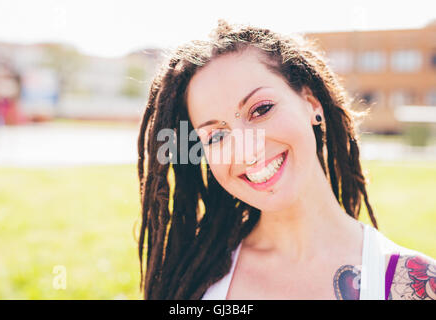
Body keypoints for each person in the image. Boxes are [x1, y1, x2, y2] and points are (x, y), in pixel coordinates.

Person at [136, 19, 435, 300]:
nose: (246, 150)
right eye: (216, 136)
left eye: (261, 109)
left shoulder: (415, 285)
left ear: (311, 103)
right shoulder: (192, 278)